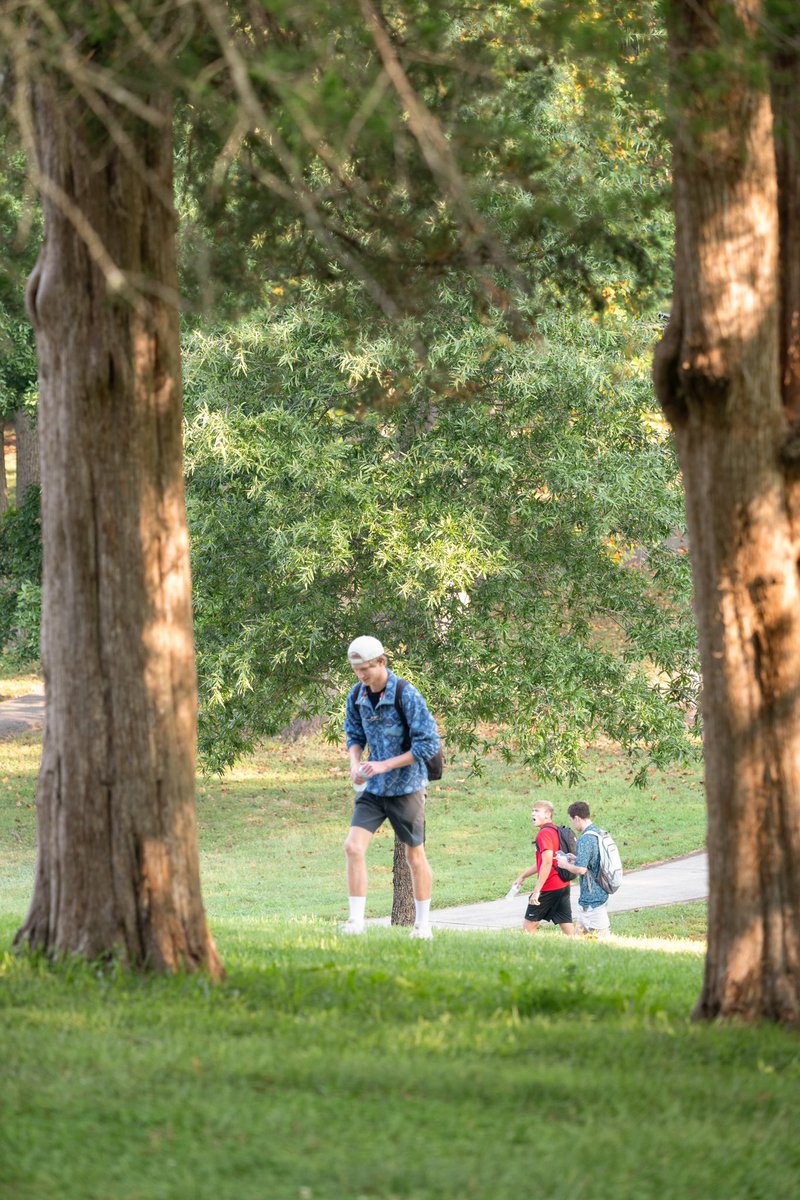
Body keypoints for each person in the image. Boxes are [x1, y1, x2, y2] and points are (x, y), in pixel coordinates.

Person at [342, 635, 442, 939]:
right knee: (352, 847)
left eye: (366, 669)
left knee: (415, 856)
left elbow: (428, 743)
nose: (361, 675)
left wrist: (385, 764)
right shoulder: (356, 695)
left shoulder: (406, 694)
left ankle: (423, 925)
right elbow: (353, 735)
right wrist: (355, 765)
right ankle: (356, 922)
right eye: (357, 670)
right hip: (373, 789)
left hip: (407, 787)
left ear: (382, 662)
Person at [512, 800, 575, 936]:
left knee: (528, 927)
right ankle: (578, 949)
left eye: (537, 811)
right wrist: (523, 876)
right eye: (532, 810)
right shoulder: (555, 830)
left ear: (547, 814)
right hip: (563, 885)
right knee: (566, 925)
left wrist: (537, 891)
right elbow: (543, 861)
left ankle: (532, 954)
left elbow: (547, 863)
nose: (532, 813)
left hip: (549, 886)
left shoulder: (544, 834)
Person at [555, 801, 611, 939]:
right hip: (598, 893)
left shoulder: (586, 839)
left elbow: (580, 869)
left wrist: (564, 864)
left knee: (603, 938)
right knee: (580, 938)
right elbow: (592, 861)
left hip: (592, 898)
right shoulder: (598, 832)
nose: (572, 824)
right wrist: (575, 858)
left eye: (571, 820)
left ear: (577, 818)